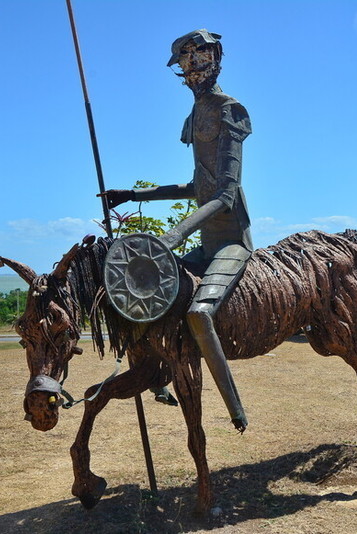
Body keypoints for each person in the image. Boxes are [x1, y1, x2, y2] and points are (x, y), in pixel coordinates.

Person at [100, 30, 251, 432]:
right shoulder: (195, 115)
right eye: (185, 62)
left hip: (231, 243)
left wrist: (174, 237)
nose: (192, 68)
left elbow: (225, 194)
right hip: (204, 243)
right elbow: (195, 187)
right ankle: (156, 378)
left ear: (214, 58)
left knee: (199, 316)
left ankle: (235, 408)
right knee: (146, 293)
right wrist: (133, 195)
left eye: (198, 58)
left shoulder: (229, 109)